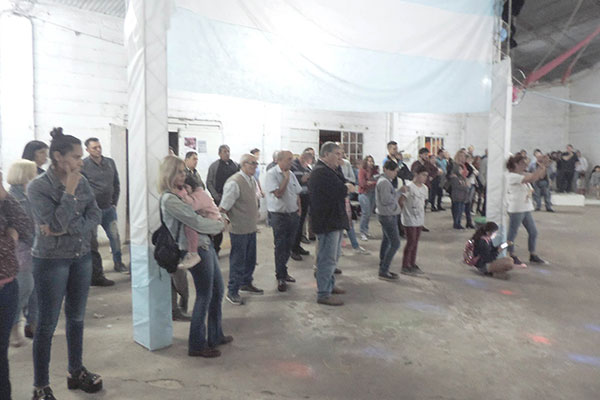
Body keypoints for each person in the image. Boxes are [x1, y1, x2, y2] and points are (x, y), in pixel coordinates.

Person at [28, 127, 103, 400]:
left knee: (77, 318)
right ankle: (41, 386)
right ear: (58, 157)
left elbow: (95, 214)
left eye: (81, 156)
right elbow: (55, 223)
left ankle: (76, 371)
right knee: (46, 325)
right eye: (76, 156)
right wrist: (69, 192)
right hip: (51, 261)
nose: (81, 162)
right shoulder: (38, 187)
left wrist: (69, 228)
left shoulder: (82, 181)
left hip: (80, 257)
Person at [157, 156, 231, 358]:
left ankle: (215, 335)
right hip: (194, 249)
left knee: (218, 290)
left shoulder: (183, 193)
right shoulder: (170, 199)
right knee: (205, 295)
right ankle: (197, 344)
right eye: (179, 172)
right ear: (169, 174)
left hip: (204, 244)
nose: (183, 175)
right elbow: (195, 221)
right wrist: (219, 225)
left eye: (184, 172)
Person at [0, 169, 34, 400]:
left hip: (7, 285)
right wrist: (9, 237)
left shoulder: (5, 202)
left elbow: (25, 224)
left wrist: (4, 196)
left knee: (1, 354)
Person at [309, 142, 351, 306]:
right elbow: (341, 190)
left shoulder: (330, 170)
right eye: (337, 154)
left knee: (333, 257)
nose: (341, 157)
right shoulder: (321, 172)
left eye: (341, 154)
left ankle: (329, 285)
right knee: (327, 258)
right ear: (326, 155)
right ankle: (323, 293)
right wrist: (347, 188)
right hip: (327, 222)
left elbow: (343, 183)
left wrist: (341, 174)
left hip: (334, 220)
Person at [81, 138, 127, 289]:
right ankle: (95, 270)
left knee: (115, 237)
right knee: (92, 241)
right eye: (94, 148)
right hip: (92, 210)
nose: (98, 150)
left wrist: (114, 203)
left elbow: (116, 183)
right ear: (87, 150)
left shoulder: (110, 163)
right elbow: (81, 187)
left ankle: (118, 262)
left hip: (108, 209)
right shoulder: (83, 165)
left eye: (99, 146)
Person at [219, 154, 262, 305]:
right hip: (239, 229)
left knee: (250, 259)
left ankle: (246, 282)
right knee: (238, 261)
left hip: (250, 227)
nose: (255, 166)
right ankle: (232, 291)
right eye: (252, 163)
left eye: (256, 163)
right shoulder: (234, 182)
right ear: (243, 164)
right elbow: (224, 207)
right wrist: (225, 221)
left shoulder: (251, 180)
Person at [7, 160, 37, 348]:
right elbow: (23, 228)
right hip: (21, 253)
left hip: (29, 250)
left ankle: (31, 326)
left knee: (32, 292)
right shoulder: (14, 199)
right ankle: (13, 332)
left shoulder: (26, 196)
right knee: (21, 293)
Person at [264, 150, 303, 292]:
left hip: (293, 214)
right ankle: (280, 276)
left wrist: (299, 209)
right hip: (279, 216)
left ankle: (284, 271)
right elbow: (278, 194)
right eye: (288, 159)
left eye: (291, 159)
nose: (291, 162)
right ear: (279, 160)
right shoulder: (272, 174)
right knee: (280, 246)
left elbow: (297, 193)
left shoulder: (291, 173)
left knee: (289, 245)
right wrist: (285, 179)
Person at [506, 153, 548, 266]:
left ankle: (532, 254)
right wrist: (541, 167)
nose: (525, 166)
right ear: (516, 164)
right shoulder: (512, 176)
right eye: (523, 163)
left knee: (533, 232)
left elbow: (539, 176)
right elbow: (532, 177)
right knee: (512, 234)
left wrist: (543, 167)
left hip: (525, 208)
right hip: (516, 208)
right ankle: (510, 254)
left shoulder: (520, 174)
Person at [206, 145, 239, 254]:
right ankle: (216, 248)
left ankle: (236, 247)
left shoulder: (235, 165)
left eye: (228, 151)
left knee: (235, 224)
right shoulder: (214, 166)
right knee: (219, 225)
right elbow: (209, 182)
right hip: (219, 200)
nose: (227, 153)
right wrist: (216, 196)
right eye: (224, 151)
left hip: (234, 201)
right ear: (219, 153)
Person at [400, 165, 429, 275]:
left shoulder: (425, 188)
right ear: (416, 174)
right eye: (423, 175)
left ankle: (412, 263)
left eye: (426, 175)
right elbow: (401, 201)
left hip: (419, 218)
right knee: (411, 241)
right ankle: (405, 265)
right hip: (409, 218)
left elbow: (424, 202)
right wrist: (403, 212)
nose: (425, 178)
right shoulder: (409, 187)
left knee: (415, 242)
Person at [375, 160, 401, 281]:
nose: (395, 174)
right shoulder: (384, 182)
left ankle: (383, 266)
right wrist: (398, 193)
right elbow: (386, 200)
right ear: (386, 170)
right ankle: (384, 269)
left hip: (386, 214)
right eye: (394, 171)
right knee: (395, 243)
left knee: (386, 241)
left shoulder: (384, 181)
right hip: (387, 215)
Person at [291, 151, 313, 257]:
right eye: (307, 161)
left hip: (306, 197)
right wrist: (303, 179)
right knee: (296, 224)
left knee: (301, 224)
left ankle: (297, 245)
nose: (308, 163)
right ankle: (293, 249)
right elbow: (293, 182)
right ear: (303, 158)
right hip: (297, 198)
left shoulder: (307, 168)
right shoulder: (294, 166)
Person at [358, 155, 378, 241]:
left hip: (372, 193)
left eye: (372, 161)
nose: (371, 163)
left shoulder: (374, 171)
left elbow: (378, 181)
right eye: (369, 161)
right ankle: (362, 232)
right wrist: (371, 183)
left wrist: (371, 183)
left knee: (369, 213)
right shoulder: (362, 171)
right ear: (365, 162)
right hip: (364, 193)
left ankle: (366, 230)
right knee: (365, 213)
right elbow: (362, 183)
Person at [449, 150, 469, 229]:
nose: (463, 158)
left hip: (462, 184)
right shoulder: (455, 165)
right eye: (461, 156)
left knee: (461, 208)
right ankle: (456, 222)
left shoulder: (463, 165)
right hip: (457, 187)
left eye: (464, 156)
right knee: (457, 207)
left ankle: (458, 222)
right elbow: (452, 175)